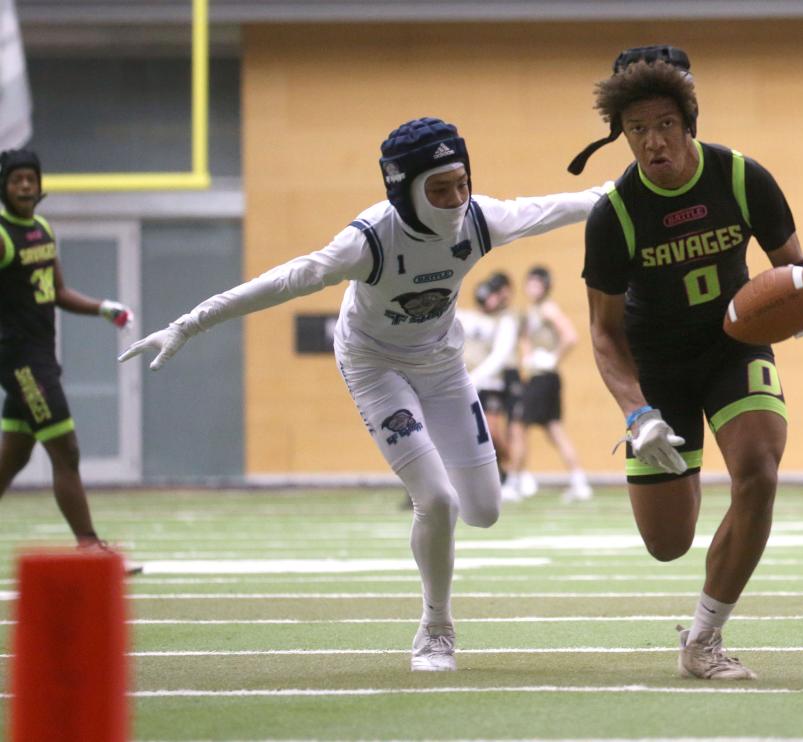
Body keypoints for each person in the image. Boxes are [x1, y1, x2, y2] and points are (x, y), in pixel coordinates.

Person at [120, 117, 607, 671]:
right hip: (374, 363)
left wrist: (635, 187)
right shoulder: (370, 240)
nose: (454, 200)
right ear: (404, 191)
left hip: (443, 362)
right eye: (439, 188)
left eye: (461, 183)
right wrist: (188, 323)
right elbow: (284, 280)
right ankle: (436, 626)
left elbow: (568, 205)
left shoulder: (481, 218)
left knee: (485, 510)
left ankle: (440, 593)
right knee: (438, 500)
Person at [572, 47, 803, 679]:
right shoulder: (615, 213)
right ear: (622, 135)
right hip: (656, 367)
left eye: (664, 124)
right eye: (637, 129)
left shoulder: (741, 177)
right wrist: (637, 413)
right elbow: (604, 335)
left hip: (731, 346)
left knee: (758, 472)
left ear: (688, 122)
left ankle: (704, 639)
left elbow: (791, 266)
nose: (653, 141)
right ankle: (664, 457)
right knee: (667, 544)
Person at [0, 149, 138, 571]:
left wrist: (102, 307)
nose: (25, 185)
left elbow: (57, 291)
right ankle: (89, 545)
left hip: (41, 353)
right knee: (66, 448)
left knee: (14, 457)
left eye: (31, 178)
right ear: (4, 187)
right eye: (16, 179)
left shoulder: (41, 229)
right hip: (20, 359)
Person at [510, 265, 592, 502]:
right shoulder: (534, 309)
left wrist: (552, 358)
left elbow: (570, 336)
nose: (533, 287)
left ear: (545, 286)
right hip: (543, 376)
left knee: (518, 425)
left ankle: (514, 482)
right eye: (530, 282)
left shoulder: (547, 308)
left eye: (538, 283)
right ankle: (579, 481)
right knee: (553, 430)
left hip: (544, 376)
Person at [457, 275, 520, 487]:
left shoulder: (504, 320)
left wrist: (476, 377)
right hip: (466, 383)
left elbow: (500, 354)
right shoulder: (467, 317)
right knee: (467, 432)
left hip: (490, 383)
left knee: (491, 430)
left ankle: (510, 470)